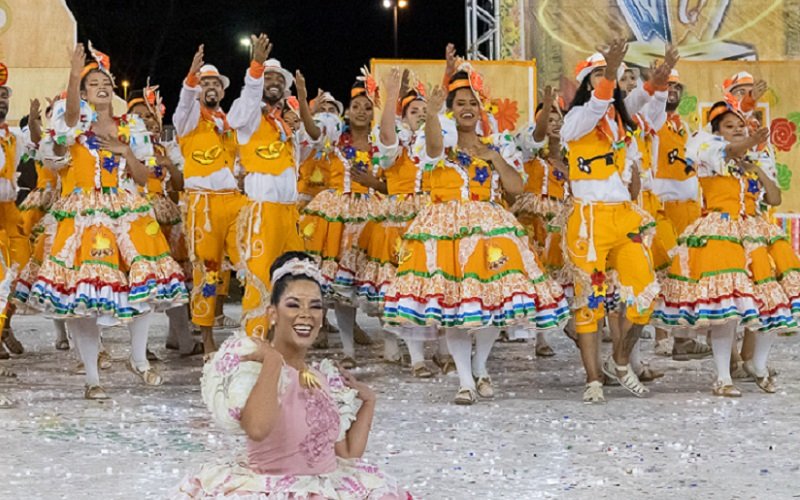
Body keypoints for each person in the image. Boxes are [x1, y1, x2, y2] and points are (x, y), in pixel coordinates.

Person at [383, 65, 569, 405]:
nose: (467, 107)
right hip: (446, 231)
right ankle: (466, 381)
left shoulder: (496, 144)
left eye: (473, 102)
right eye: (460, 103)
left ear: (481, 108)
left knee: (493, 306)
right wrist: (434, 115)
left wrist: (494, 157)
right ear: (452, 109)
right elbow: (435, 149)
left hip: (491, 230)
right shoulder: (436, 142)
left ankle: (480, 367)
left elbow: (515, 188)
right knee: (456, 309)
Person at [17, 44, 187, 399]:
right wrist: (73, 73)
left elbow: (142, 179)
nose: (102, 86)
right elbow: (65, 128)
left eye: (105, 81)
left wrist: (125, 152)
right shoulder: (75, 125)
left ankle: (138, 359)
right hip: (83, 218)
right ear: (82, 92)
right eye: (92, 83)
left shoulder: (132, 126)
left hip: (127, 213)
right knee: (83, 297)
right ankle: (93, 378)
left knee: (146, 284)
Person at [173, 251, 408, 499]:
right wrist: (273, 362)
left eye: (315, 306)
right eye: (294, 304)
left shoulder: (323, 377)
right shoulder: (254, 365)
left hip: (326, 488)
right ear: (273, 313)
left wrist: (369, 400)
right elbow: (258, 428)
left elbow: (346, 454)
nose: (306, 314)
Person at [653, 99, 787, 396]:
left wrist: (757, 165)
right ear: (717, 131)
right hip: (721, 233)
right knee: (725, 308)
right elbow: (728, 151)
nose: (738, 130)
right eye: (730, 126)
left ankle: (758, 366)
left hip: (754, 233)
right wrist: (748, 142)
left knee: (769, 301)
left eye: (741, 125)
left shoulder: (752, 160)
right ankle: (723, 377)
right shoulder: (708, 151)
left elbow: (775, 199)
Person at [560, 41, 660, 403]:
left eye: (611, 74)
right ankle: (593, 380)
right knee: (589, 302)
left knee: (645, 291)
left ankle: (620, 362)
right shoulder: (575, 120)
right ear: (588, 83)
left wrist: (658, 83)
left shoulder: (621, 124)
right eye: (601, 74)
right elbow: (599, 104)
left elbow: (637, 103)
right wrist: (612, 72)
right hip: (587, 220)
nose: (609, 80)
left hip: (623, 218)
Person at [298, 67, 399, 368]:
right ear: (348, 109)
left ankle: (391, 345)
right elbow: (312, 131)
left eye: (368, 107)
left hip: (373, 217)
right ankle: (348, 350)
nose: (361, 112)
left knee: (380, 281)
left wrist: (373, 184)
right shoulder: (333, 137)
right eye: (356, 106)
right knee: (342, 288)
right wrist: (304, 100)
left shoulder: (382, 143)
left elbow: (392, 184)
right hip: (337, 219)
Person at [227, 33, 306, 339]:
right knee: (260, 280)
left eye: (278, 79)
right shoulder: (247, 116)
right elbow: (239, 111)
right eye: (267, 78)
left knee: (294, 281)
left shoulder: (287, 124)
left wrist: (297, 121)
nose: (273, 82)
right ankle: (254, 348)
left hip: (289, 214)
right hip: (262, 213)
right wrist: (255, 70)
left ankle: (287, 345)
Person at [173, 44, 246, 356]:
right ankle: (207, 338)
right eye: (206, 83)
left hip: (234, 201)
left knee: (249, 262)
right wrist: (192, 76)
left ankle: (255, 329)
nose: (211, 88)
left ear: (223, 91)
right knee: (207, 269)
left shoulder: (230, 123)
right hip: (202, 204)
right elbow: (184, 103)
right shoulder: (187, 120)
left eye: (216, 84)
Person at [127, 86, 201, 357]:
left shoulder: (167, 148)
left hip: (167, 219)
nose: (144, 121)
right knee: (142, 282)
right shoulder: (124, 148)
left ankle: (182, 340)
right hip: (138, 217)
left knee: (175, 279)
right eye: (136, 116)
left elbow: (180, 185)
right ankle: (140, 347)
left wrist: (169, 165)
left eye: (148, 116)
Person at [649, 69, 711, 360]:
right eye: (667, 85)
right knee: (665, 270)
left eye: (676, 85)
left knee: (687, 273)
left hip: (689, 208)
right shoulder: (653, 121)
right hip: (663, 206)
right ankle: (662, 336)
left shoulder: (684, 126)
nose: (672, 89)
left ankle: (682, 338)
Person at [512, 86, 572, 358]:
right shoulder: (528, 147)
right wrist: (545, 109)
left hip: (560, 218)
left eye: (559, 118)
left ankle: (568, 325)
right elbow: (536, 137)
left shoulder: (570, 151)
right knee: (535, 275)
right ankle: (539, 336)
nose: (555, 123)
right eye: (550, 118)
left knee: (560, 274)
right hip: (531, 216)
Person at [0, 63, 33, 358]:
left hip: (9, 210)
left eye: (4, 95)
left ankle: (5, 325)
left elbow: (35, 148)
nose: (1, 100)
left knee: (21, 269)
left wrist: (34, 122)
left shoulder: (13, 137)